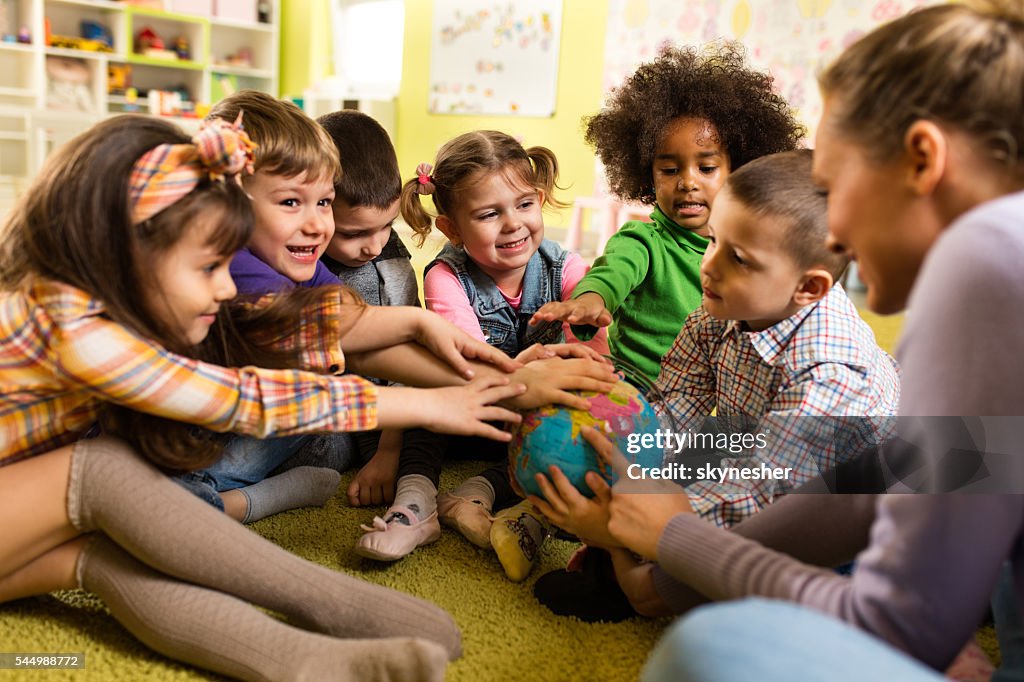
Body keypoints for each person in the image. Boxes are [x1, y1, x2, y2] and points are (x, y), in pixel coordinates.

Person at [0, 114, 537, 681]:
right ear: (124, 253)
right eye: (210, 266)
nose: (228, 284)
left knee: (111, 559)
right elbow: (244, 398)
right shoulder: (63, 322)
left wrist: (418, 328)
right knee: (103, 471)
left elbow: (322, 329)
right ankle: (327, 599)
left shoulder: (95, 305)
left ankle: (306, 666)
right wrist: (429, 405)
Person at [574, 3, 1024, 679]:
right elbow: (888, 475)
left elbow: (896, 619)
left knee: (706, 650)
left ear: (923, 160)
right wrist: (665, 535)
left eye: (831, 187)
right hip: (762, 464)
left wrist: (670, 544)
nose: (831, 231)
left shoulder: (986, 257)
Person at [529, 149, 900, 621]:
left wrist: (625, 527)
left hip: (844, 511)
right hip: (747, 436)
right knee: (663, 468)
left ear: (808, 288)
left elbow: (762, 501)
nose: (709, 266)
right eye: (713, 241)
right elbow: (679, 404)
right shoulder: (721, 306)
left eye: (738, 258)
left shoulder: (830, 377)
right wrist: (620, 437)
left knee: (806, 592)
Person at [400, 129, 612, 580]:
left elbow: (592, 355)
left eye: (523, 205)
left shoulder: (568, 268)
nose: (513, 224)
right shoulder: (445, 277)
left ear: (538, 199)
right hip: (470, 405)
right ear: (452, 229)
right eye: (489, 214)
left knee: (567, 428)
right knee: (420, 396)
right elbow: (466, 363)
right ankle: (414, 495)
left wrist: (574, 366)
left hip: (525, 414)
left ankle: (479, 491)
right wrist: (529, 374)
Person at [530, 42, 804, 383]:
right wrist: (591, 299)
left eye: (706, 168)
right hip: (641, 392)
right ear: (648, 175)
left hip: (712, 395)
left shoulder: (746, 249)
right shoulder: (642, 241)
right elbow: (612, 272)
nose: (688, 182)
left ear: (736, 169)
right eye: (670, 171)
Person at [315, 108, 451, 562]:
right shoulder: (303, 253)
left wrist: (388, 452)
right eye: (354, 233)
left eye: (385, 227)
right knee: (316, 453)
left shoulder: (390, 260)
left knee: (429, 422)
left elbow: (405, 357)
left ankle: (414, 503)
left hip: (386, 408)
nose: (372, 244)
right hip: (326, 407)